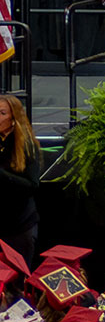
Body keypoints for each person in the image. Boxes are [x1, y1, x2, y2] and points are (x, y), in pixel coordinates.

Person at [0, 95, 41, 263]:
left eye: (2, 113)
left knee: (16, 285)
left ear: (13, 119)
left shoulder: (26, 146)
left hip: (19, 227)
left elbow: (32, 185)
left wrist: (2, 175)